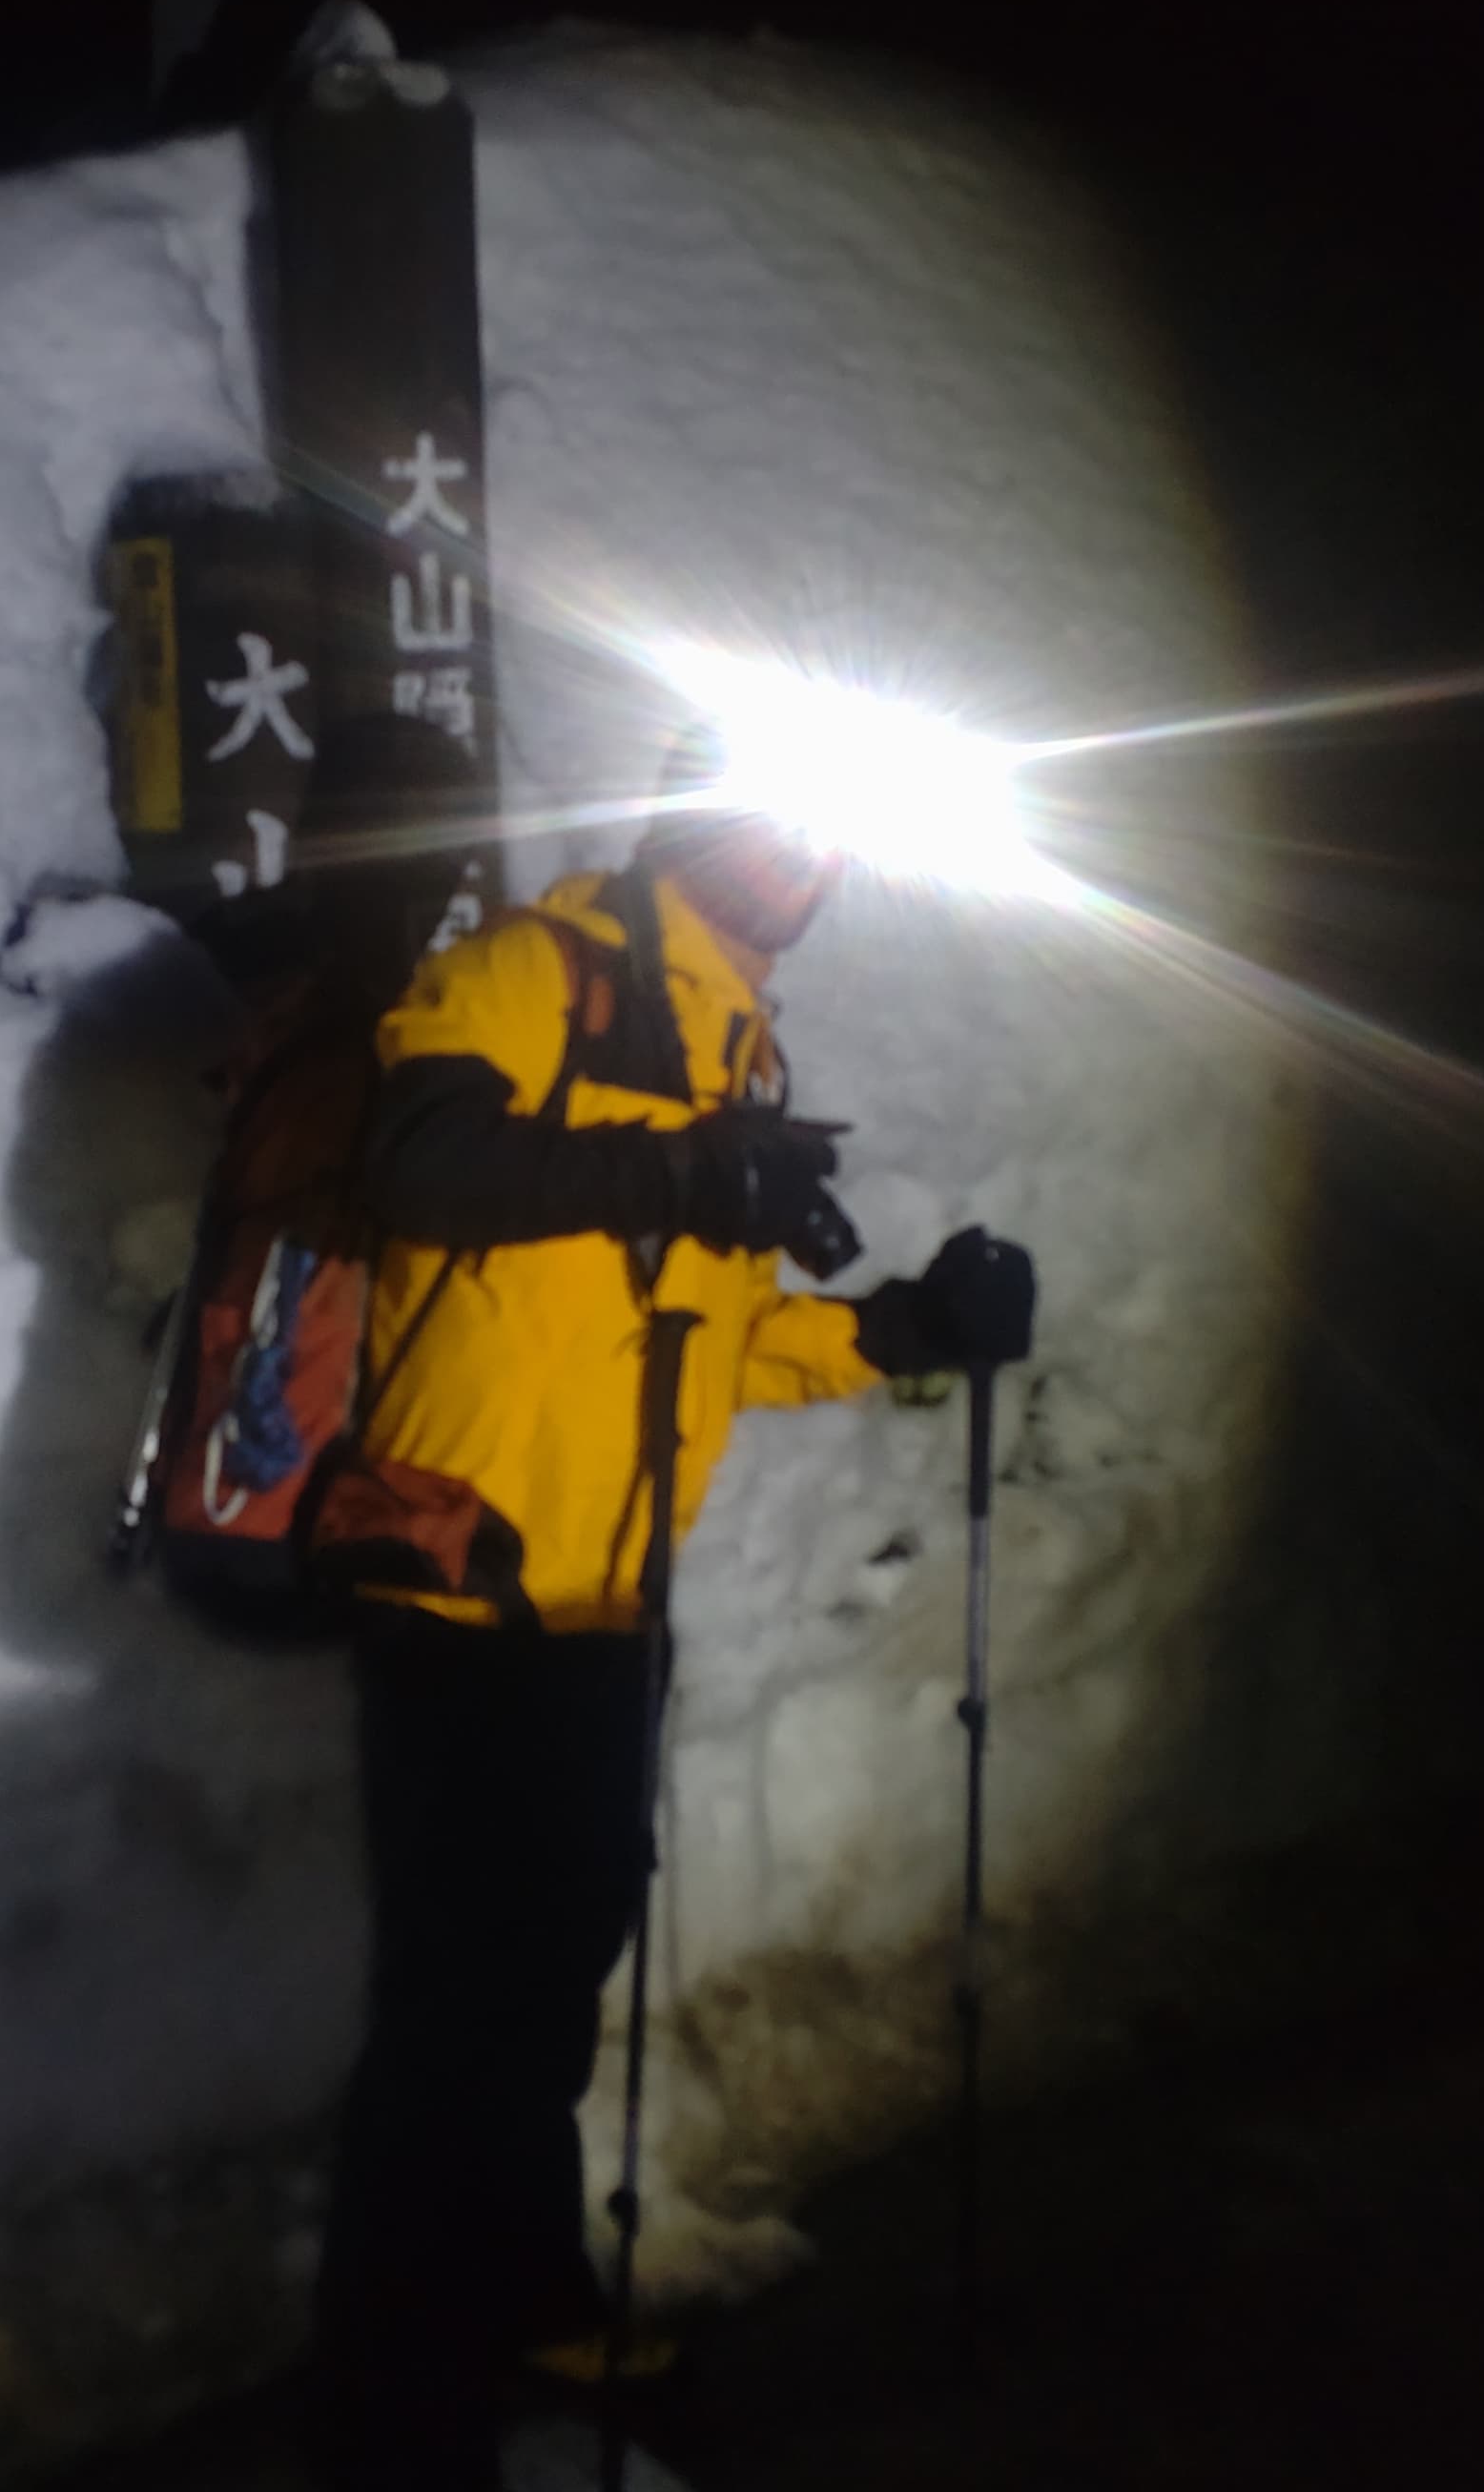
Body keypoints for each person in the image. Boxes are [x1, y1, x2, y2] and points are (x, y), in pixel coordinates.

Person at [304, 734, 1038, 2487]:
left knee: (545, 1991)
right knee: (456, 2016)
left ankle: (521, 2302)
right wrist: (687, 1175)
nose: (803, 865)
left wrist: (905, 1329)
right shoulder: (528, 971)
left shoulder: (740, 1052)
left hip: (608, 1609)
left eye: (826, 840)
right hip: (462, 1589)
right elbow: (422, 1163)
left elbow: (715, 1341)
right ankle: (399, 2414)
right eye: (775, 825)